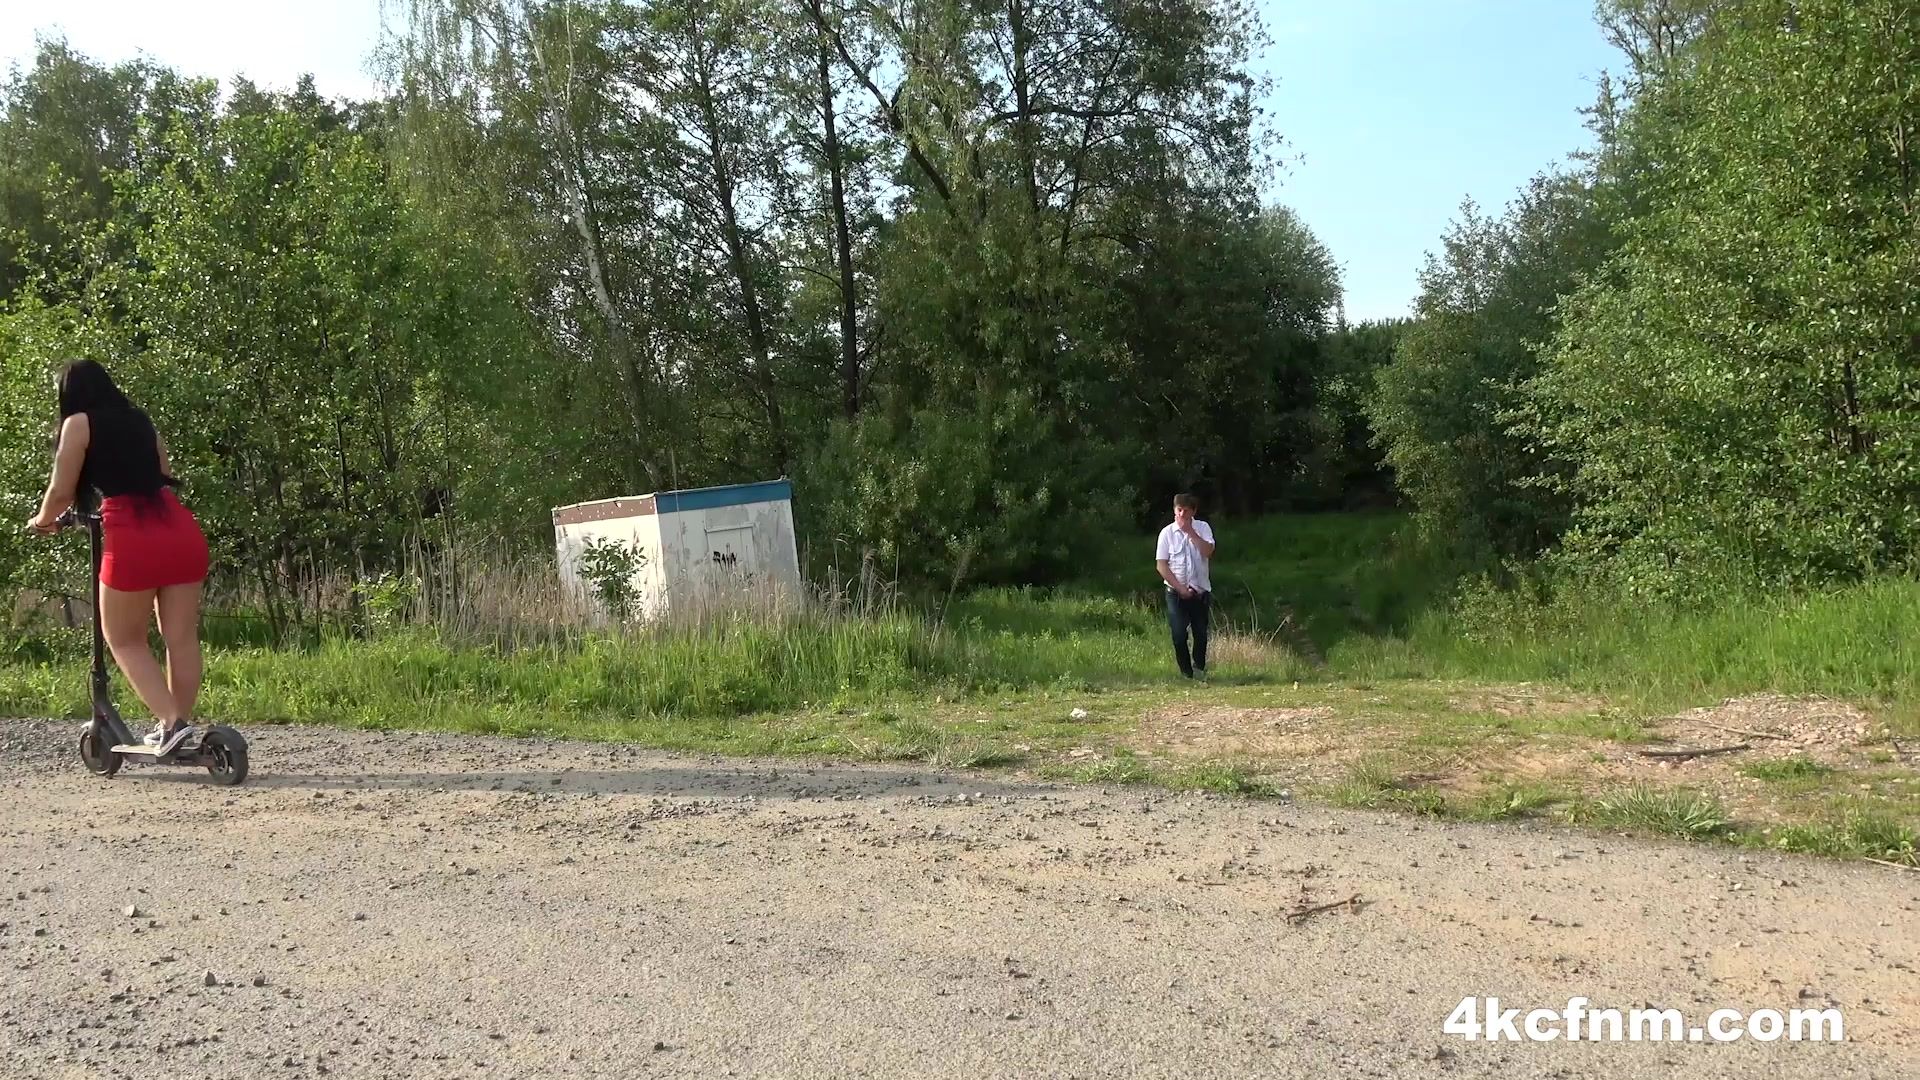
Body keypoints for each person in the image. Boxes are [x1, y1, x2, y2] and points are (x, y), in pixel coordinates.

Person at [25, 360, 210, 755]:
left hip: (133, 537)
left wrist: (42, 521)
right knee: (180, 638)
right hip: (180, 529)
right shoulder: (140, 419)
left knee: (124, 639)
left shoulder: (78, 424)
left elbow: (61, 492)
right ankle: (177, 726)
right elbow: (163, 473)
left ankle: (172, 722)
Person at [1154, 493, 1215, 679]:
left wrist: (1190, 533)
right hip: (1175, 592)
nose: (1181, 514)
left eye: (1186, 511)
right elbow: (1161, 565)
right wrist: (1180, 589)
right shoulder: (1166, 533)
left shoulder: (1203, 528)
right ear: (1174, 510)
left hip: (1199, 591)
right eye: (1179, 510)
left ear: (1193, 511)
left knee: (1201, 633)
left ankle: (1199, 668)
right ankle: (1186, 673)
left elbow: (1208, 551)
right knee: (1179, 634)